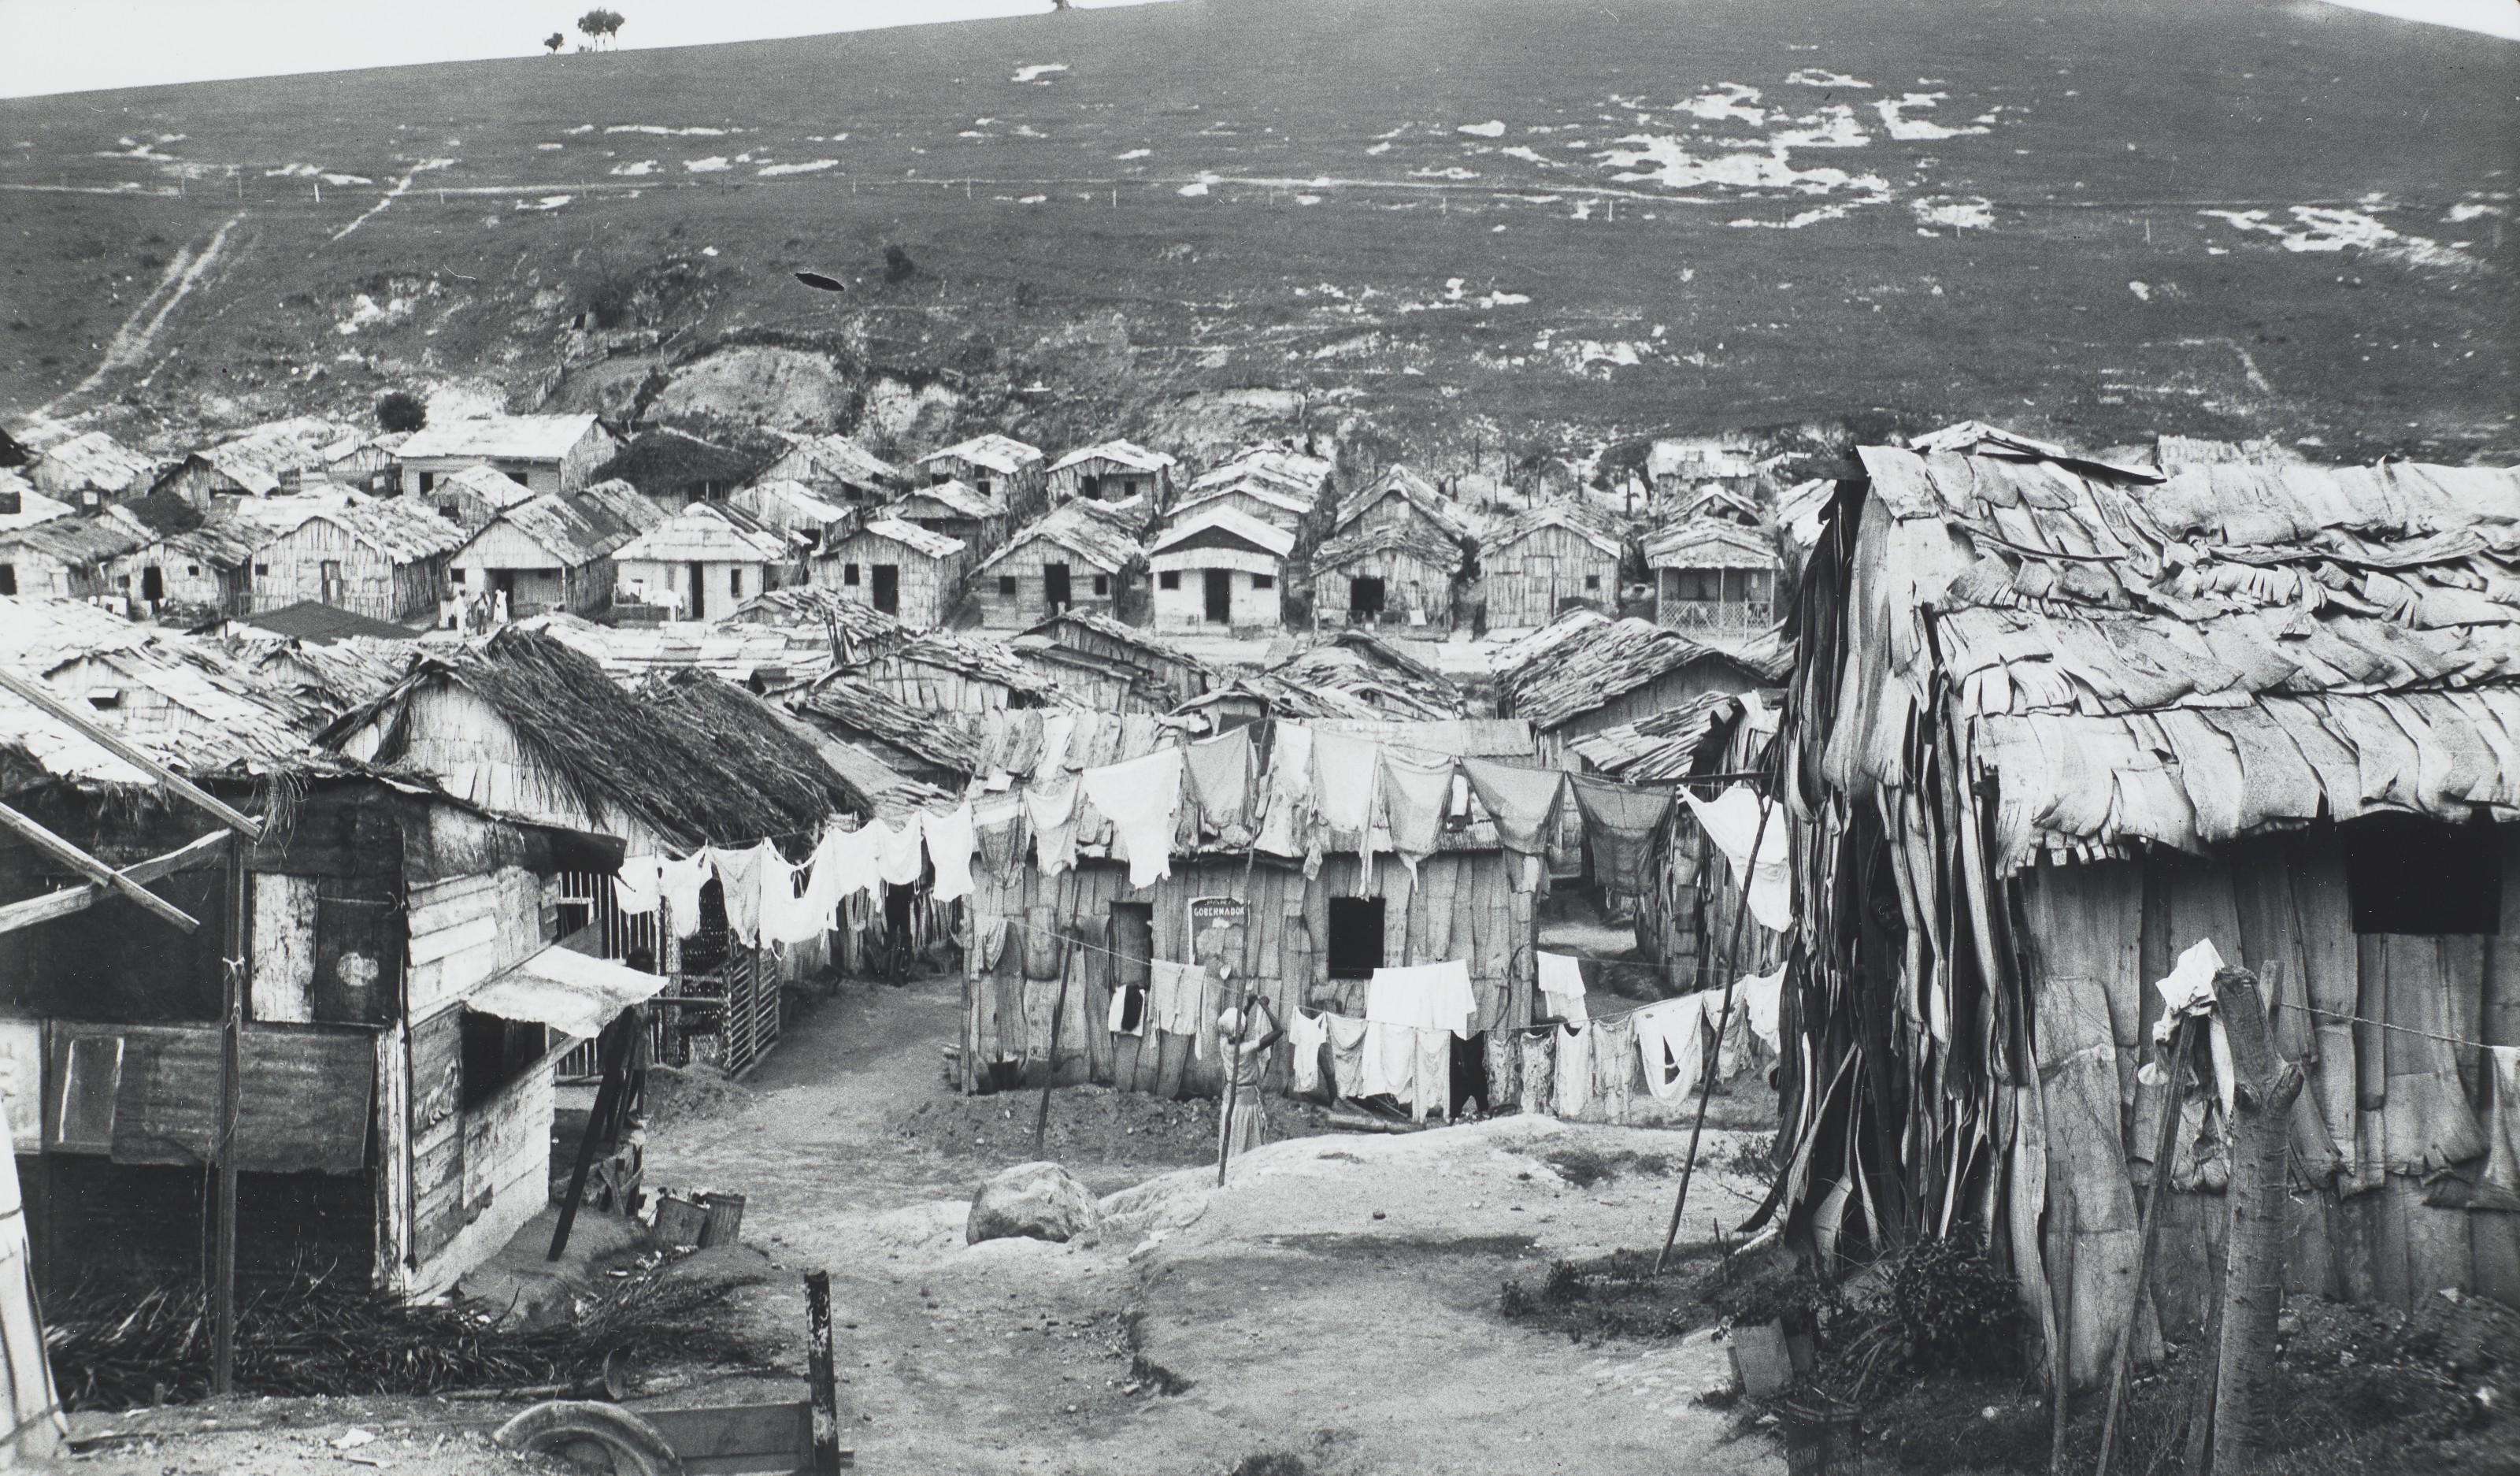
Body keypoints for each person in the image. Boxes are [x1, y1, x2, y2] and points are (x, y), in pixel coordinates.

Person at [1215, 995, 1284, 1161]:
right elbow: (1278, 1031)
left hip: (1229, 1099)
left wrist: (1249, 1004)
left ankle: (1229, 1164)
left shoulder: (1223, 1043)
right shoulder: (1247, 1049)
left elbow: (1238, 1025)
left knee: (1232, 1139)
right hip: (1246, 1101)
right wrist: (1264, 1007)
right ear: (1243, 1029)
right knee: (1248, 1140)